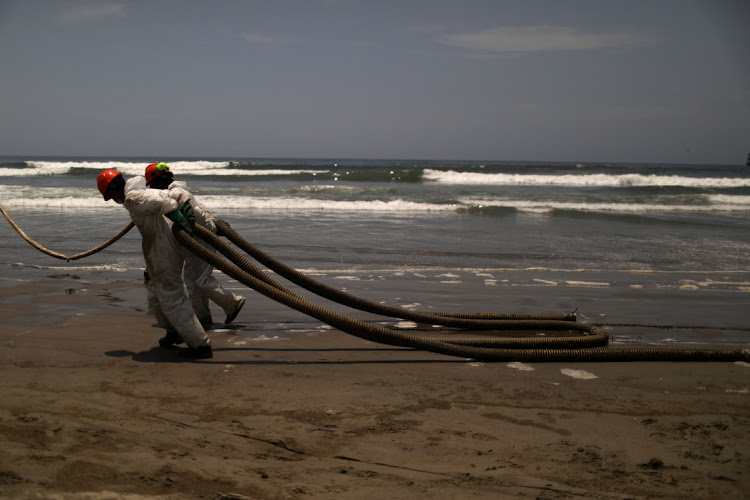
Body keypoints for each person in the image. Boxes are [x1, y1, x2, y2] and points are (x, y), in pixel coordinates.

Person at [97, 169, 213, 359]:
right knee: (155, 296)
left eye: (112, 196)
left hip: (163, 250)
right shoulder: (138, 192)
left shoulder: (132, 198)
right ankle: (175, 331)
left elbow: (162, 202)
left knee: (172, 297)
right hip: (160, 249)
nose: (116, 200)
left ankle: (200, 345)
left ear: (115, 190)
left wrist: (177, 215)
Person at [145, 162, 246, 327]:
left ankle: (232, 303)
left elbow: (191, 215)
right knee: (192, 281)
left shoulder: (176, 193)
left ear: (157, 181)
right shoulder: (175, 192)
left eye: (153, 184)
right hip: (195, 240)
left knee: (200, 280)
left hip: (201, 239)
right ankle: (203, 318)